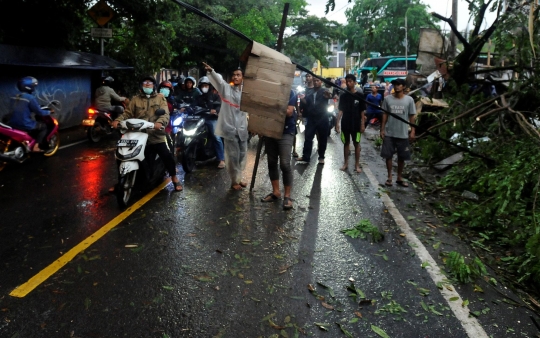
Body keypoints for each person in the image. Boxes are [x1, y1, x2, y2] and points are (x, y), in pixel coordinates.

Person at [111, 76, 183, 192]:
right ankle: (121, 180)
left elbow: (165, 114)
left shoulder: (161, 99)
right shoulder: (135, 99)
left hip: (155, 135)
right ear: (141, 86)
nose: (147, 85)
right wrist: (118, 120)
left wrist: (159, 123)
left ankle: (174, 178)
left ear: (154, 86)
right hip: (137, 134)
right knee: (121, 154)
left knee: (166, 155)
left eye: (150, 83)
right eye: (145, 83)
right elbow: (127, 113)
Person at [202, 62, 249, 190]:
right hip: (230, 129)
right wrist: (211, 71)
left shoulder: (247, 92)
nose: (235, 77)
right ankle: (234, 181)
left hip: (243, 129)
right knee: (233, 156)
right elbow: (219, 81)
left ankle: (239, 178)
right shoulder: (226, 89)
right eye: (234, 75)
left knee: (242, 155)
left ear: (243, 77)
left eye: (238, 75)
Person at [261, 89, 297, 210]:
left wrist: (269, 108)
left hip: (286, 131)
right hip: (269, 130)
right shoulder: (266, 92)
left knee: (285, 164)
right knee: (271, 162)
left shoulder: (290, 93)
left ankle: (287, 196)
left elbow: (289, 112)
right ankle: (276, 192)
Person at [380, 78, 416, 187]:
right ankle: (389, 177)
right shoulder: (387, 99)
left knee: (402, 157)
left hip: (403, 133)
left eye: (399, 84)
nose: (396, 86)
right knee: (388, 156)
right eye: (395, 84)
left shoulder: (409, 100)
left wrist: (413, 130)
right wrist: (382, 129)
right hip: (390, 132)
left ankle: (399, 177)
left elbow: (412, 116)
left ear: (403, 87)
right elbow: (385, 115)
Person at [9, 76, 51, 152]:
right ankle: (36, 146)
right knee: (43, 127)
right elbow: (40, 112)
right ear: (29, 87)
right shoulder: (30, 98)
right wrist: (49, 112)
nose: (34, 88)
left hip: (11, 123)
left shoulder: (14, 97)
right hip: (24, 124)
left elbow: (20, 109)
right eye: (33, 86)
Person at [296, 77, 332, 164]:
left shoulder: (324, 91)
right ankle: (306, 157)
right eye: (314, 81)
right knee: (308, 137)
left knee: (322, 138)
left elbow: (330, 96)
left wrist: (329, 96)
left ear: (321, 82)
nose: (316, 82)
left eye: (318, 81)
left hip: (322, 118)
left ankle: (321, 157)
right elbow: (307, 103)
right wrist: (301, 98)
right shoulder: (310, 92)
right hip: (311, 118)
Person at [335, 74, 366, 173]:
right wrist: (337, 123)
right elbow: (341, 110)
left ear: (354, 82)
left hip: (356, 123)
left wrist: (362, 124)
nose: (348, 83)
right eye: (347, 81)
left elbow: (362, 112)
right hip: (345, 123)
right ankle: (345, 163)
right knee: (346, 143)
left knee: (357, 143)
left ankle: (357, 165)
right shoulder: (343, 95)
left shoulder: (360, 95)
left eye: (350, 81)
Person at [196, 76, 225, 169]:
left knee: (216, 137)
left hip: (211, 119)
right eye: (203, 85)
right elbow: (194, 106)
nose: (204, 87)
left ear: (209, 86)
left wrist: (215, 111)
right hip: (200, 119)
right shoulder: (199, 97)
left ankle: (221, 159)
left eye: (206, 85)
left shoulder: (215, 96)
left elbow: (218, 106)